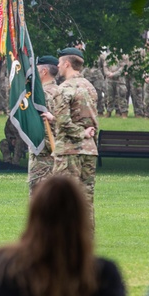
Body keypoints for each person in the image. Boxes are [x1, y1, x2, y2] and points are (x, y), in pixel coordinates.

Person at [45, 47, 99, 224]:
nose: (58, 67)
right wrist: (87, 135)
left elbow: (64, 122)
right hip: (89, 151)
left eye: (60, 63)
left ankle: (65, 242)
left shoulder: (64, 88)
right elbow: (90, 120)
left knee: (64, 199)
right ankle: (86, 241)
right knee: (86, 199)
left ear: (67, 64)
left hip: (69, 152)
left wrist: (80, 133)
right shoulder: (89, 87)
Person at [28, 56, 60, 194]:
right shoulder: (61, 91)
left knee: (39, 195)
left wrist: (41, 148)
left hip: (44, 153)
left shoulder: (43, 95)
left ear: (44, 71)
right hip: (58, 150)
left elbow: (44, 125)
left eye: (37, 70)